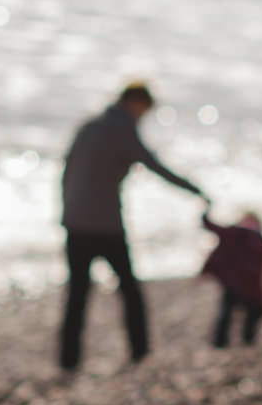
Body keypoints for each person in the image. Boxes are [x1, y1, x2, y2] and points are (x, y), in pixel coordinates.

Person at [58, 83, 204, 373]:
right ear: (135, 103)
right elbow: (154, 165)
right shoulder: (123, 129)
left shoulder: (89, 126)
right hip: (106, 225)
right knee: (130, 290)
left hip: (76, 222)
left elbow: (67, 168)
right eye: (144, 110)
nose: (143, 116)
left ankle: (68, 362)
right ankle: (140, 353)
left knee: (77, 295)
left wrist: (66, 210)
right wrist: (192, 189)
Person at [201, 209, 262, 347]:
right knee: (226, 315)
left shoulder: (258, 240)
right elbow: (212, 227)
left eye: (252, 222)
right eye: (247, 221)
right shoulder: (234, 234)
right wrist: (205, 213)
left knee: (252, 314)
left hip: (250, 287)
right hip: (234, 285)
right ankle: (221, 344)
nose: (249, 225)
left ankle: (247, 342)